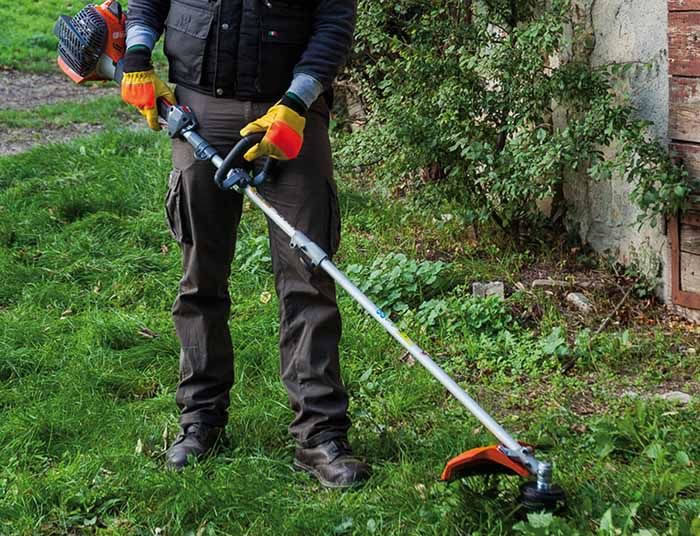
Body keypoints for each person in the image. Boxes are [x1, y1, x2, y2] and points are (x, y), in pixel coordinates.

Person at [121, 0, 369, 488]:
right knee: (200, 276)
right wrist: (136, 57)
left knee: (308, 278)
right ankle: (200, 420)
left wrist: (298, 102)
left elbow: (334, 22)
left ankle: (320, 435)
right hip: (199, 105)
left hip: (291, 113)